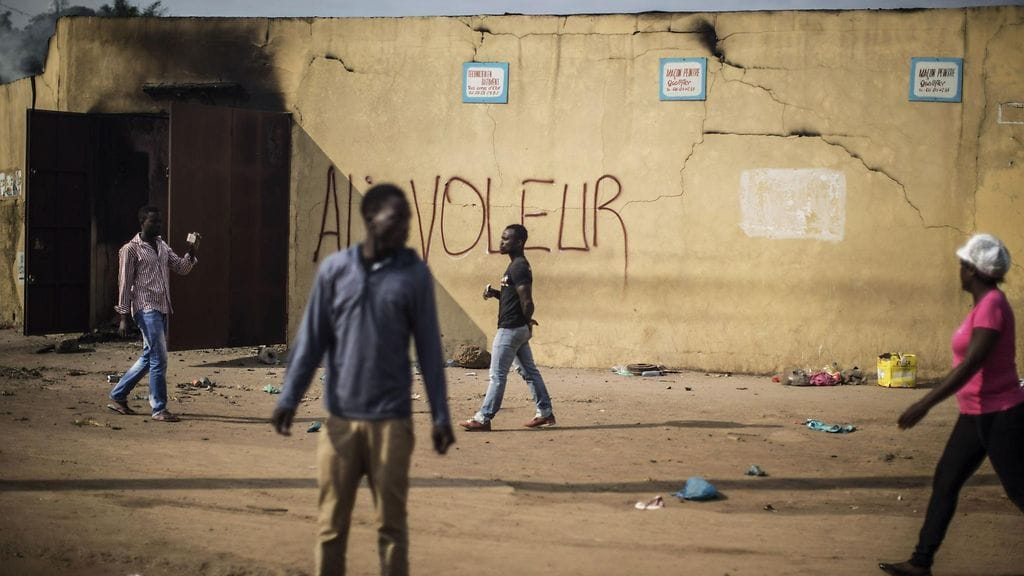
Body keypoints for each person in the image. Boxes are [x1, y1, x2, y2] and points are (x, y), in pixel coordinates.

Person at [271, 183, 455, 576]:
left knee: (391, 527)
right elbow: (311, 340)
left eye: (407, 218)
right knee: (331, 526)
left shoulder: (415, 275)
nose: (406, 226)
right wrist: (289, 397)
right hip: (339, 422)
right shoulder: (336, 271)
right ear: (371, 218)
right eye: (398, 217)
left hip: (392, 423)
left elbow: (429, 352)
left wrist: (441, 415)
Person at [879, 234, 1024, 576]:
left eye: (963, 265)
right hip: (976, 413)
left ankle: (921, 560)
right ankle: (921, 562)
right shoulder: (985, 304)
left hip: (1002, 414)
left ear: (972, 270)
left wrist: (924, 403)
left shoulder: (991, 305)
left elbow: (971, 364)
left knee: (1019, 489)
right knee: (946, 481)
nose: (959, 270)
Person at [460, 224, 556, 431]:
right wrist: (496, 293)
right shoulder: (515, 266)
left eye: (506, 239)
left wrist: (526, 322)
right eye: (502, 238)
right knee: (529, 372)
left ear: (519, 242)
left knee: (497, 375)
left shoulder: (519, 266)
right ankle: (545, 413)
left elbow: (527, 302)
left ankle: (483, 418)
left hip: (510, 330)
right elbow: (513, 297)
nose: (501, 242)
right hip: (517, 330)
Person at [107, 205, 198, 422]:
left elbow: (181, 268)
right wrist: (123, 318)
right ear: (142, 223)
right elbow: (124, 284)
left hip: (163, 306)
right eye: (153, 221)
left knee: (150, 357)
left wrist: (192, 250)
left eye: (159, 221)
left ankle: (118, 395)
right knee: (160, 357)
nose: (158, 225)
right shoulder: (130, 250)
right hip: (144, 308)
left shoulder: (161, 245)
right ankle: (159, 408)